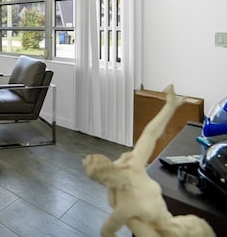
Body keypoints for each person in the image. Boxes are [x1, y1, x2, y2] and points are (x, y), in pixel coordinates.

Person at [82, 84, 215, 237]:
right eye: (102, 181)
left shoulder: (133, 165)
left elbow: (150, 133)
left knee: (200, 225)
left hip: (175, 223)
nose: (107, 183)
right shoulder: (124, 207)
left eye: (106, 176)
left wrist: (170, 106)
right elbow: (106, 231)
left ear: (113, 167)